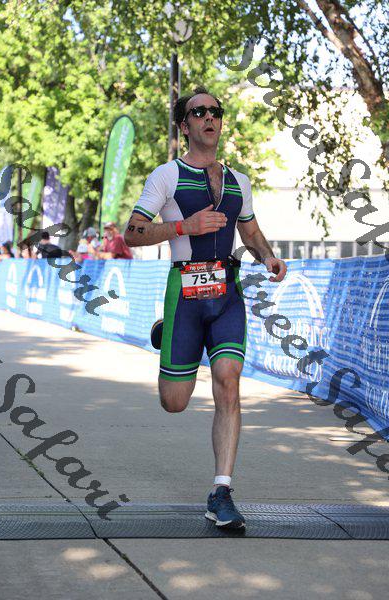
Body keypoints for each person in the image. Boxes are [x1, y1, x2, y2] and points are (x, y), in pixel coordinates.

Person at [124, 86, 287, 530]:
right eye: (199, 112)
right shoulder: (166, 176)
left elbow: (249, 232)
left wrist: (268, 257)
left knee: (229, 382)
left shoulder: (239, 181)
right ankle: (171, 334)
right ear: (185, 125)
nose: (209, 117)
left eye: (216, 111)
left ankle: (222, 491)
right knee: (175, 402)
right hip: (185, 292)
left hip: (227, 294)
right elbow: (132, 233)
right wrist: (184, 226)